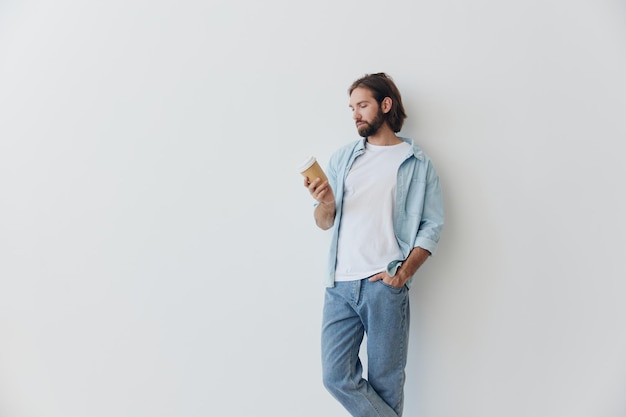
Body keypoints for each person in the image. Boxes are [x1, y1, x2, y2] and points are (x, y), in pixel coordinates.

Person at [303, 73, 444, 417]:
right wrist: (324, 202)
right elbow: (324, 221)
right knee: (335, 377)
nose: (355, 114)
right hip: (340, 285)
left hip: (384, 284)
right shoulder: (343, 159)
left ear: (385, 105)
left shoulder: (417, 163)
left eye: (362, 105)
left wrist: (403, 274)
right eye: (352, 108)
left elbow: (432, 225)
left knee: (386, 383)